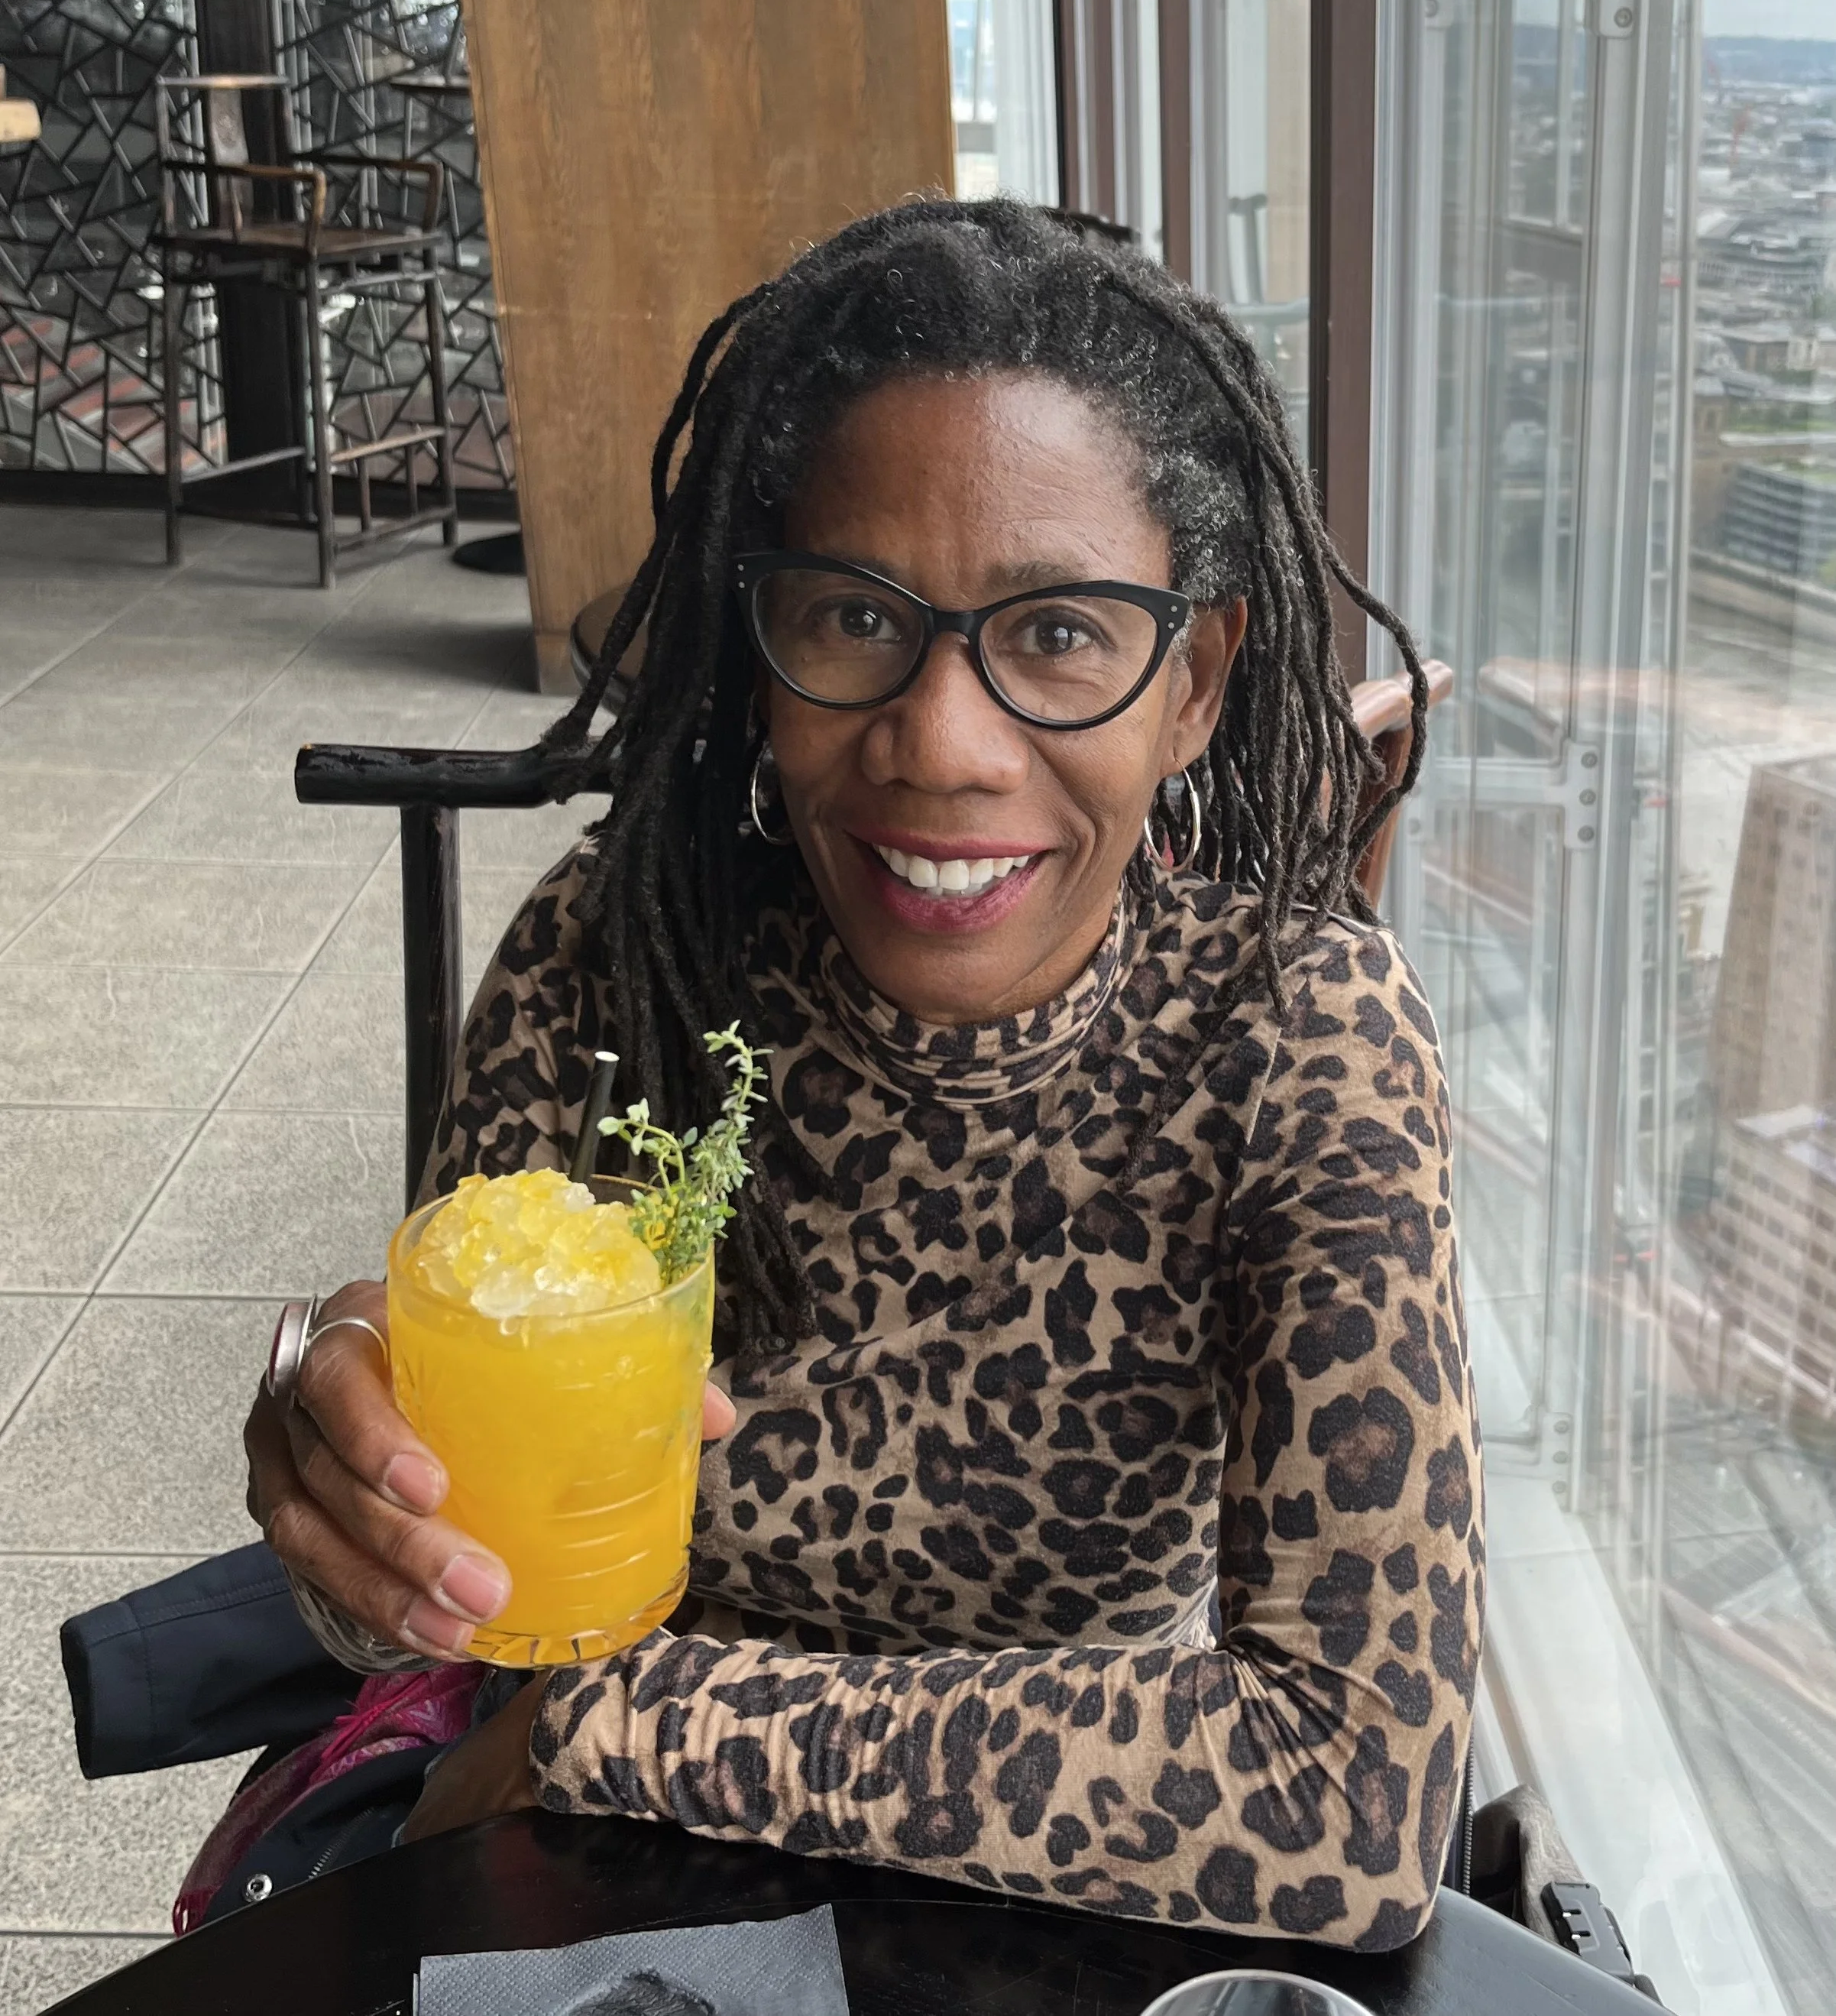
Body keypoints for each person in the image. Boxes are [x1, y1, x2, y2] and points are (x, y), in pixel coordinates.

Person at [243, 198, 1481, 1950]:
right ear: (762, 654)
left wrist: (638, 1724)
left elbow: (1346, 1796)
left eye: (1059, 632)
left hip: (1062, 1911)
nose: (940, 741)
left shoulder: (1301, 1037)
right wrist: (344, 1494)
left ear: (1191, 684)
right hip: (609, 1907)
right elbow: (459, 1613)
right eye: (851, 617)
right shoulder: (620, 968)